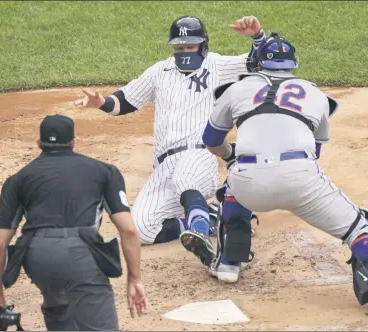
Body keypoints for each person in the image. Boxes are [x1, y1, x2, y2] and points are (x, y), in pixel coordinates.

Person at [201, 33, 368, 318]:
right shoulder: (317, 95)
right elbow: (315, 153)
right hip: (300, 180)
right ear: (293, 64)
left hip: (248, 182)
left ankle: (228, 264)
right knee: (361, 227)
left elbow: (210, 139)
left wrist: (229, 155)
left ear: (257, 65)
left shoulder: (237, 89)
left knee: (231, 187)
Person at [74, 16, 266, 267]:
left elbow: (259, 63)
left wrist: (257, 35)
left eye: (190, 46)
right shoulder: (159, 72)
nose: (184, 52)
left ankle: (199, 228)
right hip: (164, 167)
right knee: (140, 230)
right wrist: (101, 103)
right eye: (179, 47)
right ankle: (210, 217)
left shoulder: (217, 65)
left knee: (185, 179)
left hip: (199, 155)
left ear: (203, 45)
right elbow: (126, 101)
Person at [0, 114, 148, 331]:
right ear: (73, 142)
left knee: (59, 308)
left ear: (38, 143)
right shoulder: (104, 171)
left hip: (37, 257)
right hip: (79, 255)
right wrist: (134, 279)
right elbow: (128, 230)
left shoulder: (17, 179)